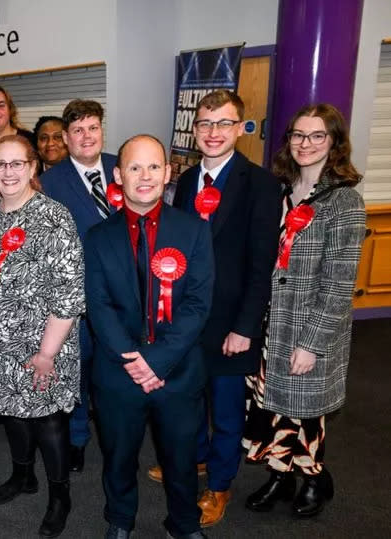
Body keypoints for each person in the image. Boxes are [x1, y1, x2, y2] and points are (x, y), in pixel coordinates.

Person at [149, 90, 282, 527]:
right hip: (187, 321)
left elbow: (261, 264)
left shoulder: (261, 184)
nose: (213, 132)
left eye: (223, 123)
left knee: (225, 413)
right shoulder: (186, 181)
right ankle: (198, 459)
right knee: (187, 401)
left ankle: (220, 486)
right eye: (205, 123)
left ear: (241, 128)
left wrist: (245, 326)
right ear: (195, 128)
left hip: (230, 326)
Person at [241, 104, 366, 518]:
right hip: (268, 323)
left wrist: (312, 343)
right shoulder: (278, 190)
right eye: (298, 135)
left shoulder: (344, 201)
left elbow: (338, 285)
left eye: (316, 136)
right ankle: (280, 475)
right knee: (270, 406)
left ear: (334, 143)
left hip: (306, 325)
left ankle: (314, 477)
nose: (305, 144)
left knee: (304, 411)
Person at [86, 135, 213, 539]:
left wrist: (157, 360)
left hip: (177, 372)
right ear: (118, 175)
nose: (145, 176)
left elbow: (197, 303)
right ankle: (120, 520)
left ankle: (184, 523)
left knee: (180, 458)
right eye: (135, 168)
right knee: (118, 457)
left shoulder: (193, 230)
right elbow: (98, 305)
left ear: (168, 173)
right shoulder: (96, 236)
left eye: (154, 167)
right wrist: (134, 360)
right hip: (118, 373)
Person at [0, 135, 84, 537]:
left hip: (41, 342)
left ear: (34, 168)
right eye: (1, 164)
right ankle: (23, 476)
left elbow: (69, 293)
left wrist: (47, 353)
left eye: (18, 164)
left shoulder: (54, 217)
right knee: (11, 411)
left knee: (48, 420)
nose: (9, 172)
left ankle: (59, 494)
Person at [41, 99, 118, 472]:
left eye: (93, 128)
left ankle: (118, 437)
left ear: (102, 130)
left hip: (125, 298)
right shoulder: (49, 183)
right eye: (77, 130)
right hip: (77, 300)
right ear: (67, 138)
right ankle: (77, 437)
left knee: (119, 369)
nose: (86, 136)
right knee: (78, 370)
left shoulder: (125, 166)